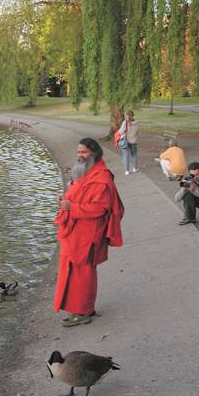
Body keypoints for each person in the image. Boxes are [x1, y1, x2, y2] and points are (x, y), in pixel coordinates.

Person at [54, 138, 124, 327]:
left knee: (82, 273)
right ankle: (82, 309)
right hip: (76, 231)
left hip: (87, 233)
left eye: (83, 152)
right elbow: (76, 193)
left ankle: (83, 311)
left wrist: (72, 207)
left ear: (94, 153)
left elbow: (100, 208)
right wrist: (65, 200)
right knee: (74, 271)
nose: (80, 155)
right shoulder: (85, 171)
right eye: (78, 152)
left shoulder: (102, 177)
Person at [119, 110, 139, 175]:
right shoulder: (136, 123)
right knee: (134, 155)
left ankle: (127, 170)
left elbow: (120, 132)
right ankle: (135, 168)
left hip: (125, 141)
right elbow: (137, 132)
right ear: (133, 116)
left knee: (126, 156)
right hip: (134, 141)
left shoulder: (125, 123)